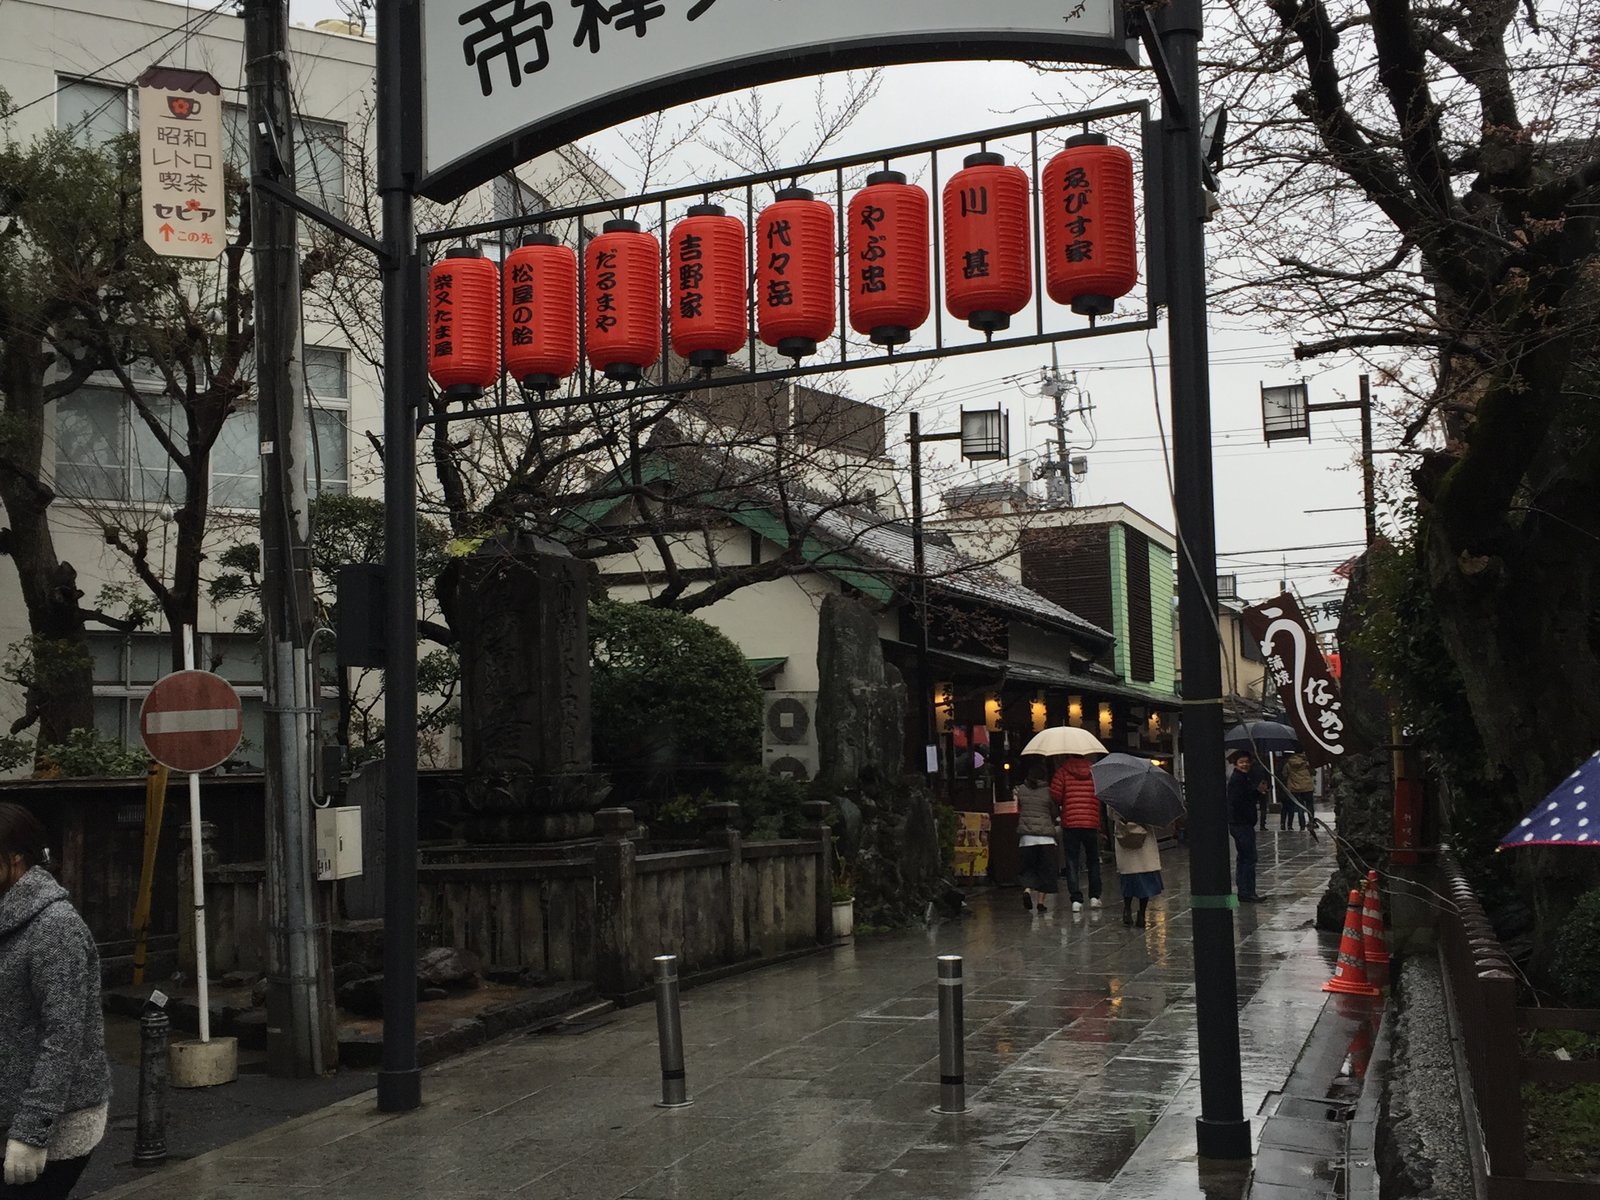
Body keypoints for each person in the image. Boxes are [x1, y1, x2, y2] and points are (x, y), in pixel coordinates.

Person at [1, 804, 110, 1200]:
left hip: (55, 1125)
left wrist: (31, 1132)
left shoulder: (55, 928)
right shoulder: (6, 915)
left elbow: (63, 1038)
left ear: (15, 860)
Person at [1052, 753, 1103, 913]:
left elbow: (1055, 795)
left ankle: (1076, 899)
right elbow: (1101, 793)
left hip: (1071, 823)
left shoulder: (1063, 771)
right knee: (1093, 860)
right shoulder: (1095, 772)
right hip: (1091, 821)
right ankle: (1094, 897)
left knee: (1072, 861)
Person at [1014, 761, 1059, 914]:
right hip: (1046, 838)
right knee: (1045, 870)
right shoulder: (1048, 792)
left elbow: (1019, 807)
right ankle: (1040, 903)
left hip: (1026, 838)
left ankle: (1027, 890)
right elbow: (1054, 812)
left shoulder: (1021, 790)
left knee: (1028, 868)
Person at [1113, 815, 1163, 928]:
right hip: (1144, 843)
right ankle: (1142, 914)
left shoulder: (1117, 799)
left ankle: (1127, 909)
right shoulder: (1148, 801)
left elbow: (1111, 814)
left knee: (1128, 878)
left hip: (1124, 836)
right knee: (1145, 881)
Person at [1227, 752, 1264, 902]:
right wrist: (1254, 792)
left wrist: (1256, 792)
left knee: (1243, 858)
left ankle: (1245, 890)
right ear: (1236, 764)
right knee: (1249, 858)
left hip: (1242, 823)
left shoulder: (1244, 778)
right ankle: (1247, 891)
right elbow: (1238, 801)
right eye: (1241, 762)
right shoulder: (1237, 780)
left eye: (1247, 762)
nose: (1245, 765)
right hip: (1241, 823)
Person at [1284, 752, 1314, 831]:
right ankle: (1311, 823)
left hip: (1295, 788)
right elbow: (1313, 772)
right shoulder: (1307, 763)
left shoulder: (1289, 763)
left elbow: (1284, 774)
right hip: (1307, 787)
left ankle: (1302, 825)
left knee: (1300, 806)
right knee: (1310, 806)